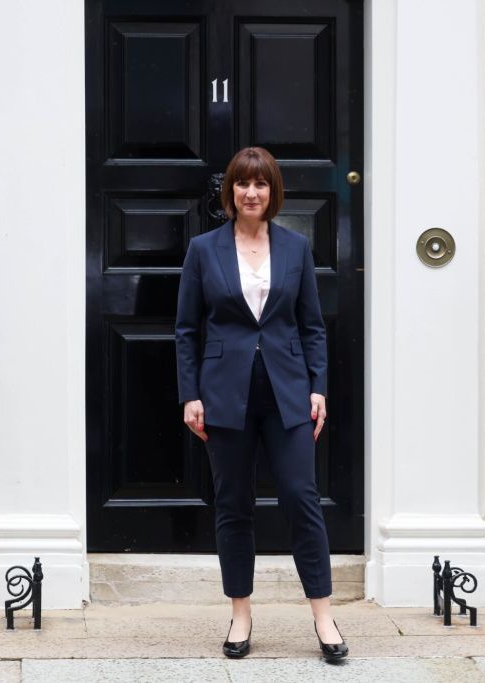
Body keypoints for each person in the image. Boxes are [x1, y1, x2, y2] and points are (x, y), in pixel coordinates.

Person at [175, 146, 348, 662]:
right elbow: (186, 330)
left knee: (301, 497)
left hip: (288, 392)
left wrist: (317, 387)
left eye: (261, 184)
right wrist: (190, 395)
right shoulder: (204, 250)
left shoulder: (295, 248)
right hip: (224, 395)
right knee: (234, 505)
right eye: (242, 184)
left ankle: (323, 616)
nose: (251, 193)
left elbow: (312, 327)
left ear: (273, 193)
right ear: (229, 191)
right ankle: (241, 614)